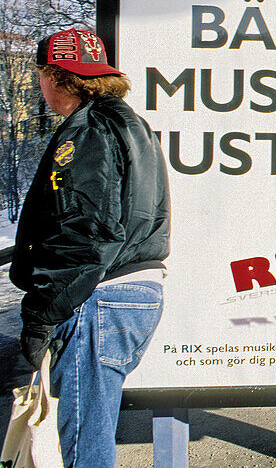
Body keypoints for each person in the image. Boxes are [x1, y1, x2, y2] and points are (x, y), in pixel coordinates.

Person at [10, 28, 170, 468]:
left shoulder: (86, 132)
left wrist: (41, 316)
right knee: (88, 436)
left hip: (98, 298)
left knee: (80, 448)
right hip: (135, 291)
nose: (40, 85)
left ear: (57, 77)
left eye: (41, 74)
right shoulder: (129, 124)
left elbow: (86, 233)